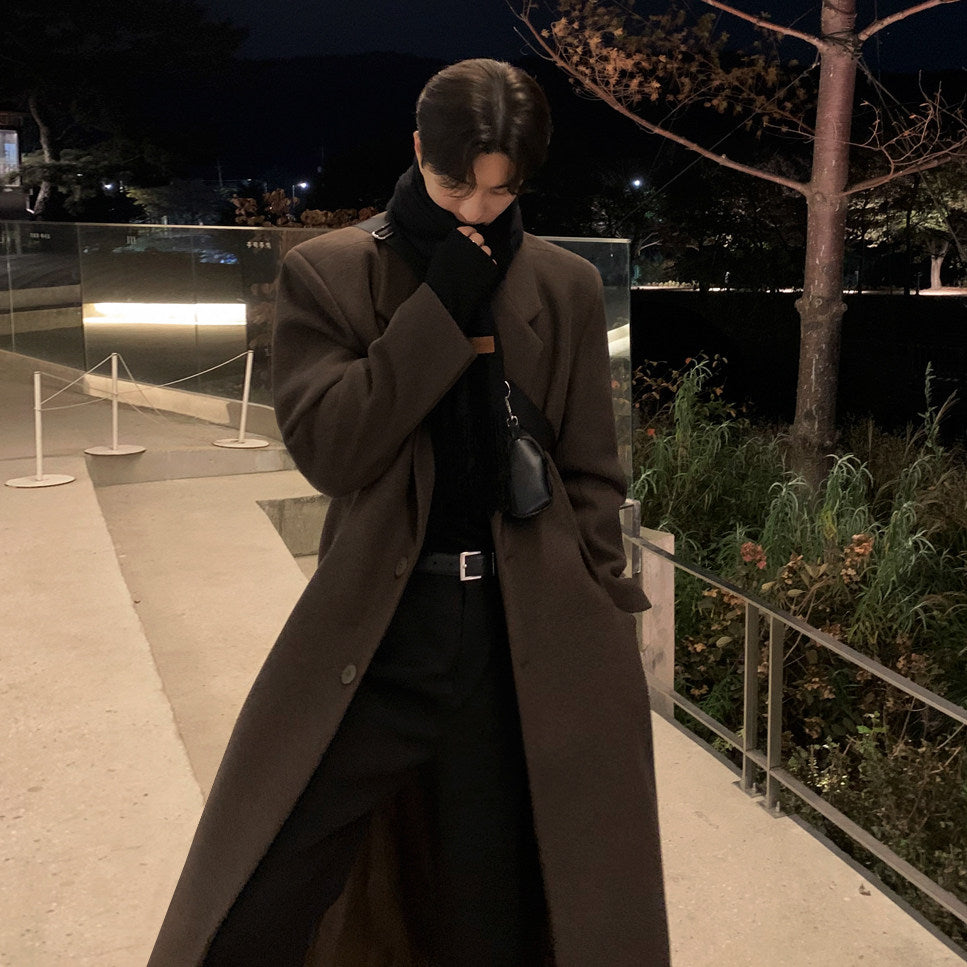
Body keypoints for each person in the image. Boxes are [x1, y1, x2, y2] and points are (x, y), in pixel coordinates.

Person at [148, 58, 669, 967]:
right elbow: (333, 450)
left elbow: (592, 467)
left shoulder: (563, 285)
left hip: (520, 632)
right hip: (384, 624)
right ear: (418, 148)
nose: (476, 209)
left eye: (500, 192)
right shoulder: (332, 273)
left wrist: (598, 585)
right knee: (263, 882)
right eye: (454, 184)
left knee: (490, 901)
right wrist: (440, 306)